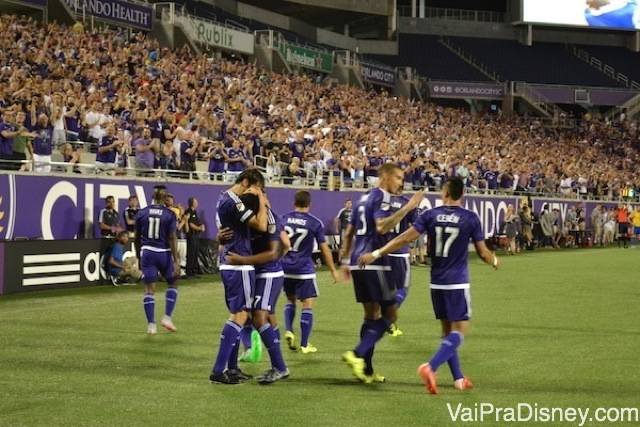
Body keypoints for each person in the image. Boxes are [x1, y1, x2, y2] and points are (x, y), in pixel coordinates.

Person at [358, 177, 499, 394]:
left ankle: (459, 378)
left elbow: (404, 238)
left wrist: (376, 253)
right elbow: (482, 252)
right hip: (457, 283)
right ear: (462, 194)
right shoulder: (470, 218)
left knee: (446, 332)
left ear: (445, 193)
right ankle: (430, 367)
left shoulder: (430, 215)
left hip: (436, 283)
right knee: (460, 331)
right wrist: (495, 261)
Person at [340, 163, 423, 383]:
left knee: (371, 315)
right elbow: (382, 227)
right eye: (397, 177)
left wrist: (345, 262)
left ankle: (365, 370)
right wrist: (409, 206)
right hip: (375, 263)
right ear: (385, 177)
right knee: (391, 314)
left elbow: (348, 233)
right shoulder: (382, 197)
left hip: (359, 262)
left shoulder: (362, 199)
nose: (400, 182)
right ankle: (357, 354)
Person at [210, 169, 270, 385]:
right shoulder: (234, 201)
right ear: (246, 182)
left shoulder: (222, 198)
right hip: (238, 263)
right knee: (241, 315)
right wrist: (262, 201)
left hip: (230, 261)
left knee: (237, 314)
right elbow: (261, 225)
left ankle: (232, 368)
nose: (255, 194)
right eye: (255, 188)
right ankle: (218, 370)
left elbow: (225, 230)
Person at [225, 205, 292, 384]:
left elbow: (280, 247)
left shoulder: (269, 217)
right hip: (253, 272)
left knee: (259, 316)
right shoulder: (249, 216)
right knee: (247, 315)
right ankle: (234, 367)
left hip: (267, 273)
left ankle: (280, 367)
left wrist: (270, 262)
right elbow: (286, 245)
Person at [281, 190, 341, 354]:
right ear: (310, 204)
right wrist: (333, 270)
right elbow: (324, 249)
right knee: (307, 304)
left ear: (294, 203)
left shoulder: (283, 219)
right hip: (303, 270)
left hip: (285, 268)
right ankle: (305, 344)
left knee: (290, 301)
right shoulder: (315, 223)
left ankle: (289, 330)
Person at [134, 185, 180, 335]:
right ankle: (167, 317)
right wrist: (176, 260)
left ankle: (151, 325)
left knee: (149, 289)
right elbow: (172, 237)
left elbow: (136, 238)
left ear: (152, 196)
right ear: (165, 198)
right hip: (164, 253)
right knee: (173, 282)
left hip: (147, 252)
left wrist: (139, 256)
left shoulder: (142, 213)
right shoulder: (169, 214)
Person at [385, 190, 418, 337]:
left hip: (383, 252)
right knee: (402, 289)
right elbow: (417, 225)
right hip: (400, 252)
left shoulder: (381, 201)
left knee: (387, 290)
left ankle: (390, 324)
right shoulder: (407, 202)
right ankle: (386, 318)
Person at [185, 198, 204, 277]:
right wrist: (199, 228)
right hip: (191, 236)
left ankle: (194, 271)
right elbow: (191, 224)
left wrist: (202, 225)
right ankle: (189, 272)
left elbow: (197, 222)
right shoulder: (188, 211)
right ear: (192, 203)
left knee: (195, 253)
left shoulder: (195, 212)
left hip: (196, 236)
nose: (197, 203)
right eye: (196, 202)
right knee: (191, 254)